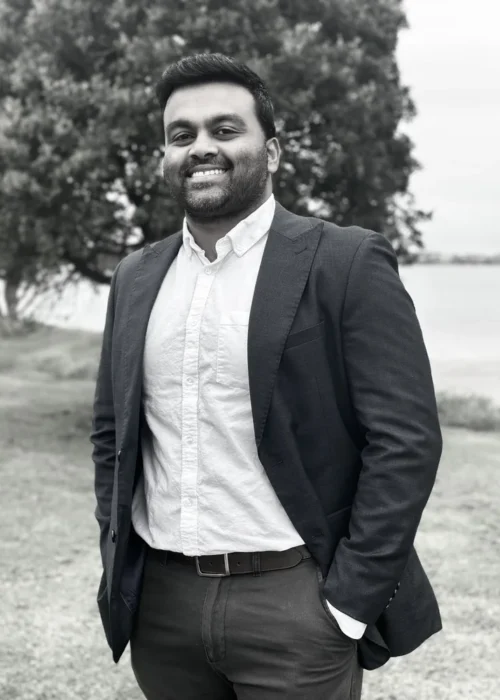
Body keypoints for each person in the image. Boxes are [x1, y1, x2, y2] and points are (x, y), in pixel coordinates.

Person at [91, 53, 443, 700]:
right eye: (181, 134)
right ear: (166, 156)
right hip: (162, 610)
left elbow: (406, 441)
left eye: (225, 130)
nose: (201, 147)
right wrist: (117, 554)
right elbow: (112, 432)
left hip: (296, 603)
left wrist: (347, 603)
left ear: (273, 151)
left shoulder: (346, 262)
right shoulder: (136, 277)